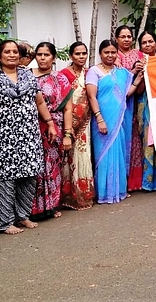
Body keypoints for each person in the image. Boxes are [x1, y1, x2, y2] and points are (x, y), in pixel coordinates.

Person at [0, 40, 57, 235]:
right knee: (5, 178)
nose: (12, 54)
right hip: (3, 137)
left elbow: (39, 102)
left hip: (29, 135)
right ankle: (6, 222)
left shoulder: (29, 76)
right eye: (7, 52)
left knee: (29, 175)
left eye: (15, 51)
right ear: (0, 56)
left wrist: (49, 123)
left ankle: (23, 215)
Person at [86, 39, 142, 203]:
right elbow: (91, 96)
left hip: (119, 120)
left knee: (118, 152)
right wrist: (99, 118)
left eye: (112, 52)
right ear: (100, 53)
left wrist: (137, 79)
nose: (110, 55)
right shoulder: (94, 71)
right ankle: (104, 193)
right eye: (106, 52)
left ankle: (118, 190)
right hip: (102, 119)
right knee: (103, 155)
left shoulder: (121, 72)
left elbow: (125, 94)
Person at [30, 42, 73, 221]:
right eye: (39, 54)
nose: (42, 58)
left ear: (53, 58)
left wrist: (68, 134)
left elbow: (68, 108)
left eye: (46, 55)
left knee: (52, 166)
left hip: (54, 128)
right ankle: (32, 208)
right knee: (34, 167)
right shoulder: (27, 76)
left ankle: (52, 205)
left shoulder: (60, 79)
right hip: (32, 126)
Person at [60, 42, 95, 210]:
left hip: (86, 123)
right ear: (71, 56)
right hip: (68, 123)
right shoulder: (63, 74)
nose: (81, 57)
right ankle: (67, 196)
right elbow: (62, 100)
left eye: (84, 53)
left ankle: (83, 194)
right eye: (77, 54)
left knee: (84, 156)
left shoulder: (91, 73)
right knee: (68, 159)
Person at [128, 31, 156, 192]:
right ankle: (150, 180)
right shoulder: (139, 64)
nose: (148, 45)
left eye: (150, 41)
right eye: (144, 42)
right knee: (147, 142)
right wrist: (141, 74)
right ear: (140, 46)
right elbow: (139, 90)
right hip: (145, 106)